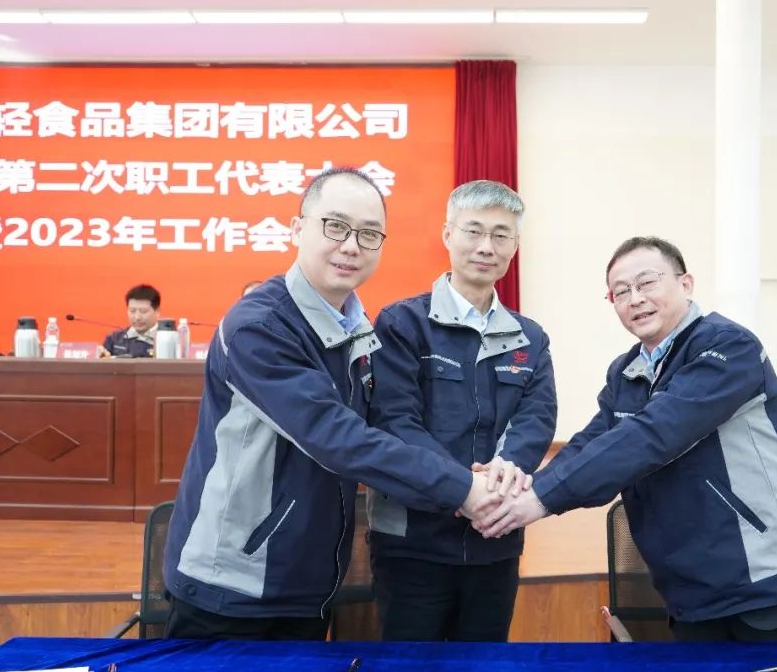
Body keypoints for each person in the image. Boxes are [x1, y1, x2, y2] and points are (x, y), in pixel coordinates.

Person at [163, 168, 524, 641]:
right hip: (231, 583)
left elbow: (390, 426)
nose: (351, 246)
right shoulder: (260, 325)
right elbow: (337, 438)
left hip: (308, 579)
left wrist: (478, 481)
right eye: (335, 226)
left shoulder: (357, 330)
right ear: (298, 228)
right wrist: (463, 489)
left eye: (369, 234)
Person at [476, 236, 777, 643]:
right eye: (621, 291)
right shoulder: (627, 370)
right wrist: (523, 486)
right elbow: (592, 442)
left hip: (769, 587)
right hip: (691, 595)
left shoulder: (728, 347)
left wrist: (539, 500)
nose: (635, 299)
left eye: (647, 282)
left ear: (686, 284)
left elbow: (653, 435)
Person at [368, 180, 557, 642]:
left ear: (515, 245)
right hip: (412, 542)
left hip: (496, 536)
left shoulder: (530, 337)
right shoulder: (402, 323)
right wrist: (463, 489)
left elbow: (536, 419)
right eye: (473, 231)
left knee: (483, 669)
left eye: (501, 234)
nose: (486, 246)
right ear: (448, 234)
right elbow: (396, 420)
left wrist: (502, 474)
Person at [100, 284, 161, 358]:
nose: (137, 317)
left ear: (157, 311)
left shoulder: (167, 340)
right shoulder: (114, 339)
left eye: (143, 311)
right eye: (132, 311)